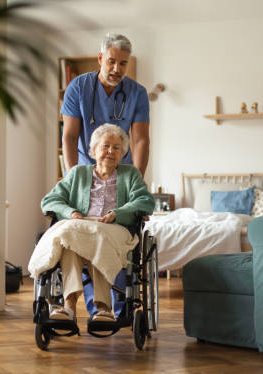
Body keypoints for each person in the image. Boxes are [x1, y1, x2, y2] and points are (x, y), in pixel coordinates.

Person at [39, 124, 154, 322]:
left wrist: (117, 213)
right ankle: (69, 306)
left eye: (117, 148)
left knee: (97, 235)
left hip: (115, 229)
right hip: (80, 227)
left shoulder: (131, 174)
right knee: (69, 239)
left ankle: (102, 307)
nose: (111, 151)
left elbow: (145, 201)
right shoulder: (77, 174)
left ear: (122, 153)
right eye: (106, 146)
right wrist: (71, 211)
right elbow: (50, 200)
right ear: (93, 151)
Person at [61, 33, 150, 177]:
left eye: (123, 63)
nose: (116, 69)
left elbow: (141, 140)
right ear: (100, 58)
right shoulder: (78, 87)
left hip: (122, 171)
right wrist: (72, 176)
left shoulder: (137, 93)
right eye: (111, 61)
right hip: (84, 169)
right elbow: (70, 136)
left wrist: (137, 179)